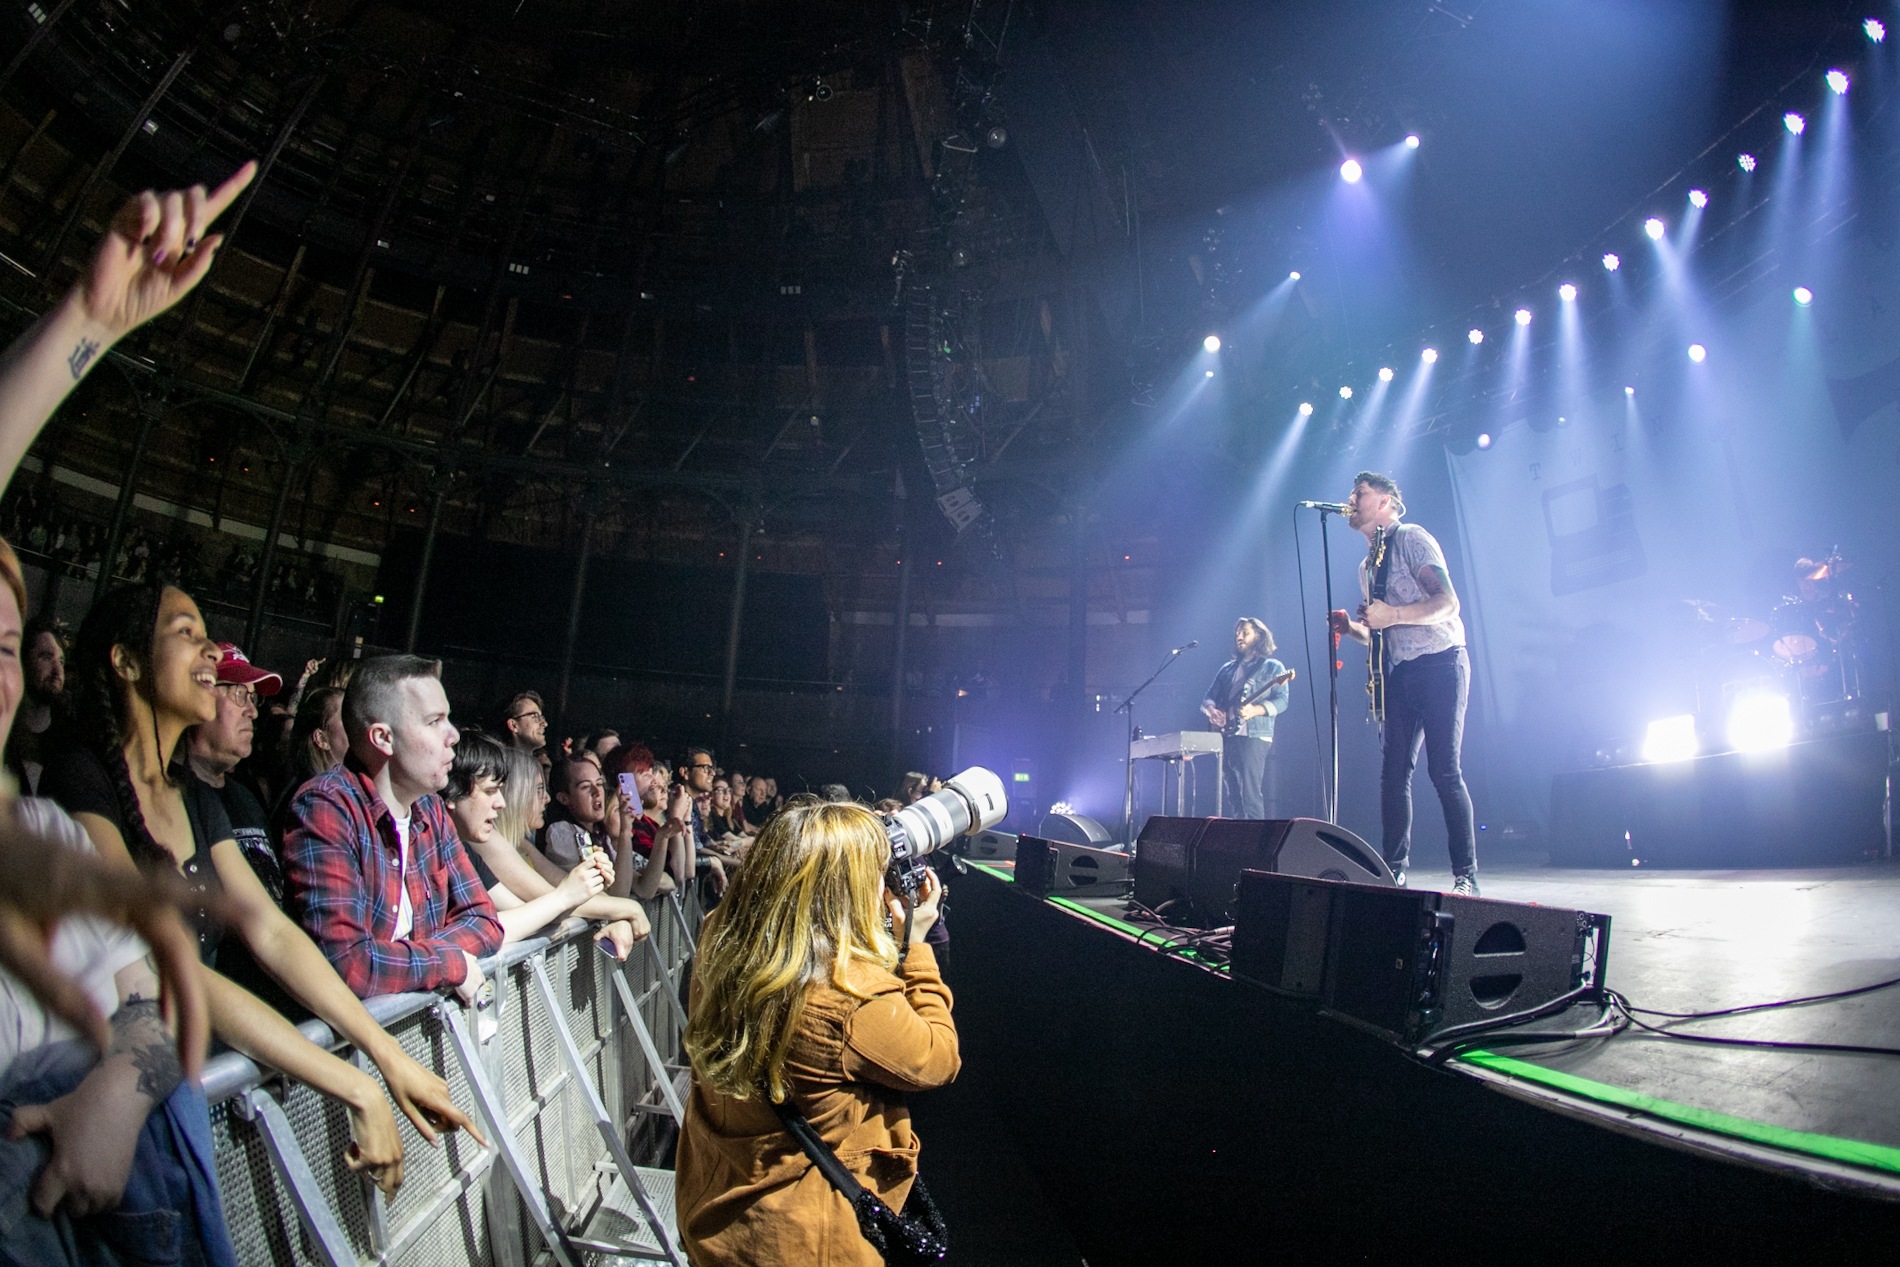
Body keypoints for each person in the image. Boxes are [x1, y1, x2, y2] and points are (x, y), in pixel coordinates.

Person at [44, 586, 487, 1198]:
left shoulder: (199, 800)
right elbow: (163, 964)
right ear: (126, 662)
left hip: (182, 1083)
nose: (210, 650)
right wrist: (355, 1080)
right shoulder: (80, 777)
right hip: (101, 1096)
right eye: (186, 633)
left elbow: (272, 933)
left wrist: (383, 1052)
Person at [676, 800, 957, 1265]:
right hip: (808, 1238)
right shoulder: (853, 997)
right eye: (875, 876)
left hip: (720, 1215)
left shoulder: (719, 937)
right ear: (844, 891)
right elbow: (939, 1058)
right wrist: (917, 948)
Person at [282, 655, 504, 999]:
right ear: (383, 738)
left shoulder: (430, 809)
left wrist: (403, 959)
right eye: (434, 721)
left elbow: (486, 922)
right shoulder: (326, 807)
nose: (453, 735)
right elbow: (350, 965)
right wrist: (448, 963)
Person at [1329, 471, 1479, 895]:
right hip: (1403, 672)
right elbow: (1380, 633)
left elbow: (1448, 603)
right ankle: (1393, 872)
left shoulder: (1412, 538)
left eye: (1360, 493)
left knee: (1444, 770)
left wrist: (1391, 614)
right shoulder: (1366, 567)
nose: (1351, 500)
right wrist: (1352, 628)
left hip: (1442, 662)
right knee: (1393, 774)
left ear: (1386, 501)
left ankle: (1466, 875)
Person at [447, 733, 651, 953]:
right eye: (538, 789)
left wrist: (615, 911)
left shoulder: (522, 845)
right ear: (517, 793)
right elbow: (548, 899)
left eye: (600, 784)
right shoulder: (485, 842)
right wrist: (625, 909)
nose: (547, 798)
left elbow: (544, 908)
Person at [1199, 617, 1292, 820]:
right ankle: (1239, 834)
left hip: (1254, 735)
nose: (1239, 637)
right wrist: (1212, 711)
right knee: (1233, 795)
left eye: (1245, 633)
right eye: (1237, 633)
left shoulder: (1272, 667)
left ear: (1258, 635)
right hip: (1226, 735)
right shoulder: (1227, 669)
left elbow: (1282, 701)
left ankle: (1256, 836)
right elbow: (1208, 698)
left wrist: (1256, 710)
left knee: (1250, 794)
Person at [4, 615, 67, 795]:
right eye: (46, 657)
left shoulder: (67, 739)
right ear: (23, 663)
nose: (57, 671)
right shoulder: (5, 731)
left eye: (61, 661)